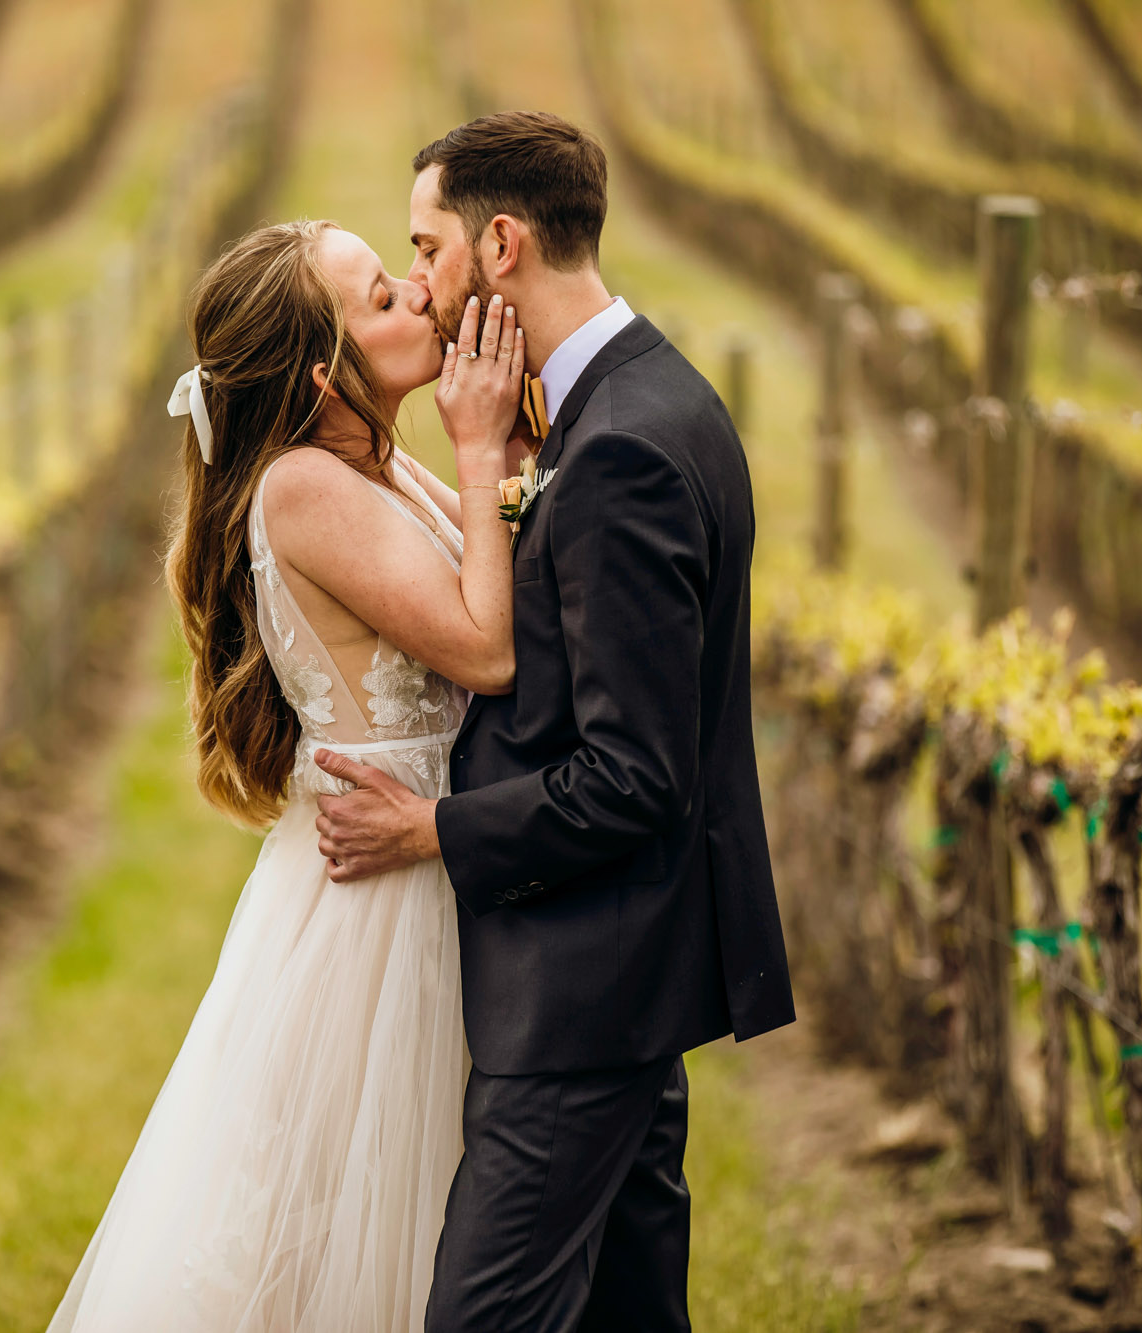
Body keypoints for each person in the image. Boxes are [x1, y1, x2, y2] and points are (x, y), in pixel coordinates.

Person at [313, 110, 796, 1332]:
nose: (417, 284)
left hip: (583, 995)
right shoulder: (639, 398)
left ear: (503, 245)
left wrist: (434, 827)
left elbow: (633, 776)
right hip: (626, 980)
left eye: (426, 250)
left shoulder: (618, 454)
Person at [42, 216, 526, 1331]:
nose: (415, 292)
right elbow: (489, 646)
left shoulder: (378, 460)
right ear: (323, 375)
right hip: (383, 906)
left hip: (429, 860)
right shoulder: (303, 489)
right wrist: (486, 451)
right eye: (380, 298)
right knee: (339, 1231)